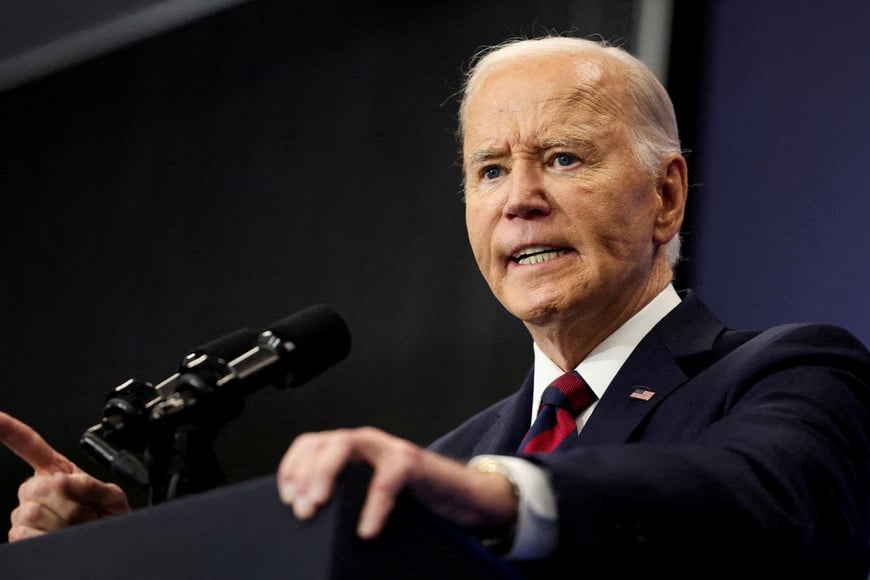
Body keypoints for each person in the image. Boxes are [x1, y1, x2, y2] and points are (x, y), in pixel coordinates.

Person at [2, 35, 869, 577]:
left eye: (562, 158)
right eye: (490, 169)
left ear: (666, 198)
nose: (518, 199)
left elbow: (763, 499)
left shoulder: (788, 373)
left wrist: (504, 498)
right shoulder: (449, 459)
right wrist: (114, 566)